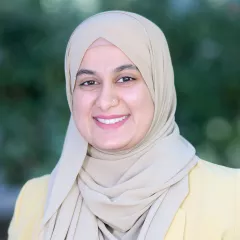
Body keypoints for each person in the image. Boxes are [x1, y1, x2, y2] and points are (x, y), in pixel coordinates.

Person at [8, 11, 240, 240]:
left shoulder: (230, 196)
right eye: (89, 82)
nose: (106, 101)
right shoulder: (36, 200)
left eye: (126, 78)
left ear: (158, 85)